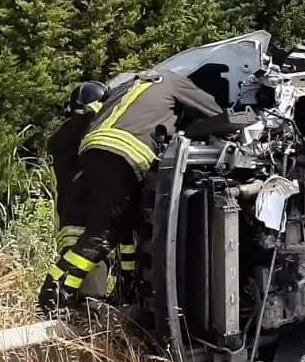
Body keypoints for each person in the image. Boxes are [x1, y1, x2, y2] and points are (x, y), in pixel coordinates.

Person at [38, 70, 225, 317]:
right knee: (101, 236)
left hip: (94, 151)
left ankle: (125, 290)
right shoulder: (175, 81)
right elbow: (216, 114)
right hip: (124, 155)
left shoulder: (126, 88)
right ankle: (55, 295)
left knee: (122, 230)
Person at [46, 81, 110, 300]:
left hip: (87, 231)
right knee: (90, 297)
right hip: (80, 232)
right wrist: (104, 106)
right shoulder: (64, 139)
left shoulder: (79, 143)